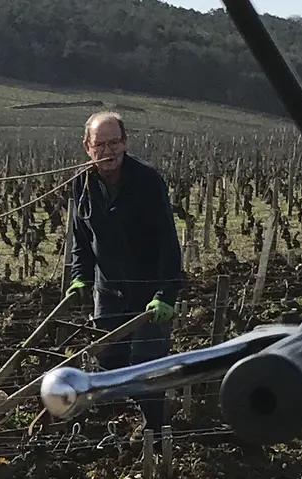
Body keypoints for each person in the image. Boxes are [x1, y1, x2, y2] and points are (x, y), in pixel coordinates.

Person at [65, 111, 185, 431]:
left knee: (148, 369)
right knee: (109, 366)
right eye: (100, 144)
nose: (109, 151)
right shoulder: (81, 183)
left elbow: (168, 244)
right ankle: (118, 432)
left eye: (115, 142)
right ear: (87, 147)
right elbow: (81, 239)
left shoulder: (147, 180)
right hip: (108, 291)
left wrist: (165, 294)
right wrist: (79, 277)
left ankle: (155, 435)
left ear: (125, 143)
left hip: (149, 292)